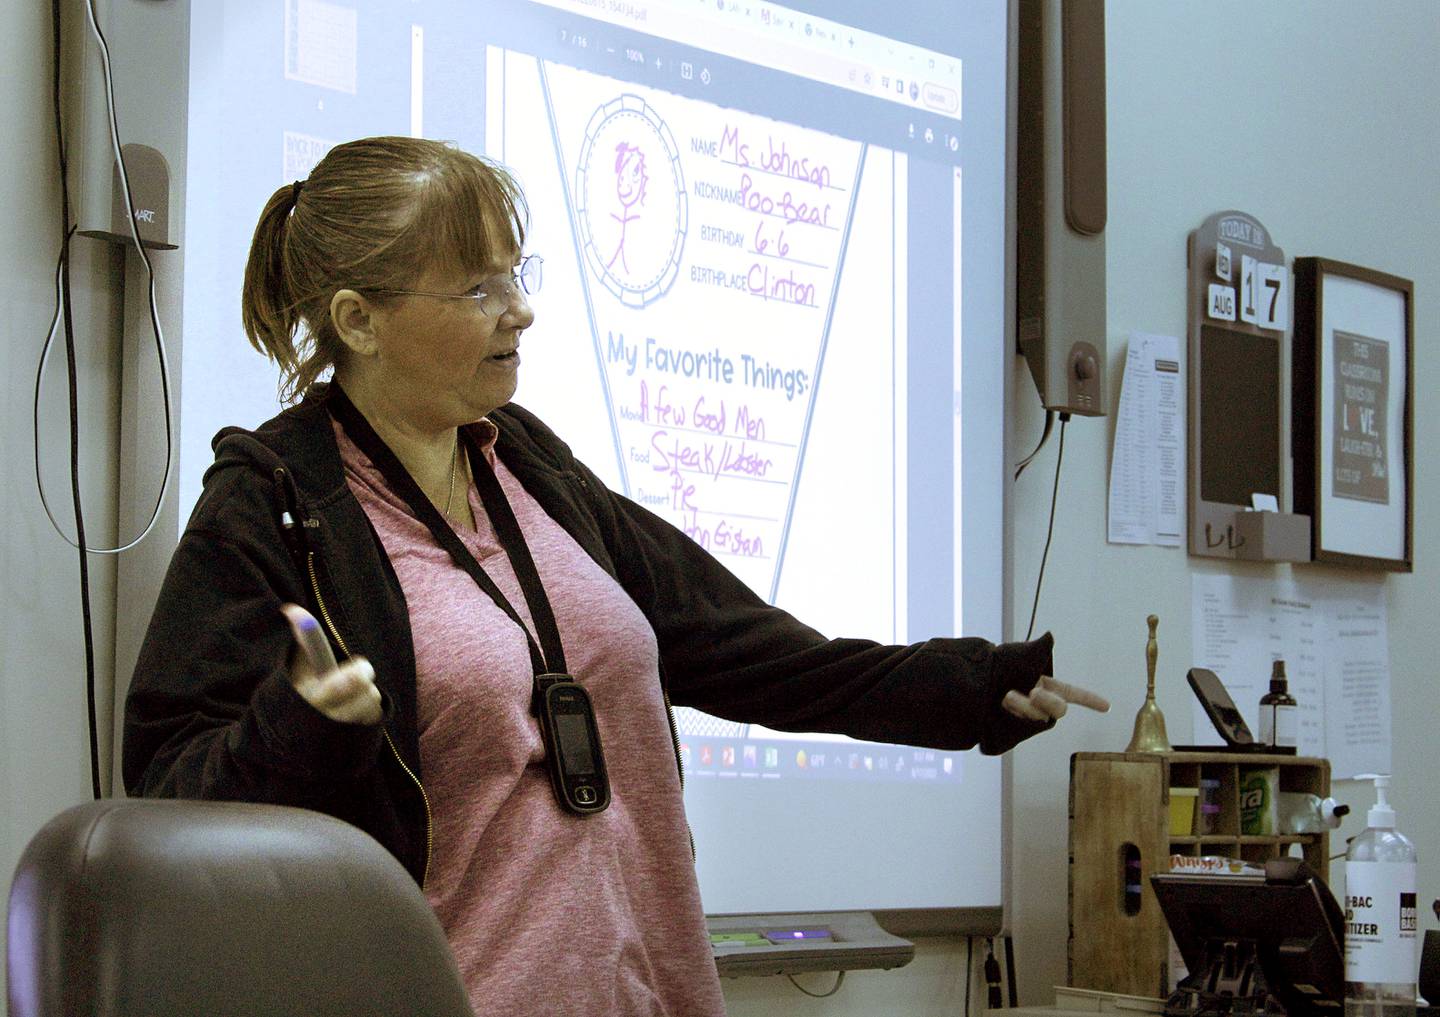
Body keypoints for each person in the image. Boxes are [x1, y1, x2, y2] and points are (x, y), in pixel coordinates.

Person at [123, 136, 1108, 1016]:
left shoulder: (527, 465)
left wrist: (966, 686)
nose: (523, 308)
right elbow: (171, 794)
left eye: (516, 272)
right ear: (359, 320)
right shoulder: (275, 506)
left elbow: (742, 648)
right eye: (477, 288)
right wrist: (293, 731)